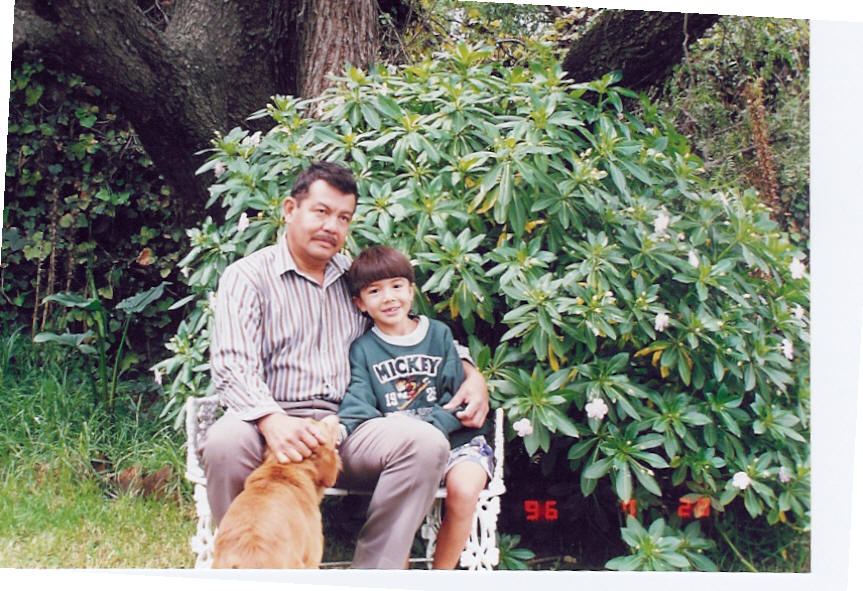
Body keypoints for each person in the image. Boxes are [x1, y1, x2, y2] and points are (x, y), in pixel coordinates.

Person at [203, 161, 489, 570]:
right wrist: (271, 420)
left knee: (425, 444)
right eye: (321, 212)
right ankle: (247, 565)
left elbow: (408, 330)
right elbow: (231, 363)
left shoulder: (355, 279)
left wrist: (472, 374)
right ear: (289, 209)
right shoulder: (248, 277)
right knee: (224, 442)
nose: (331, 227)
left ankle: (375, 575)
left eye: (343, 218)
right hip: (267, 424)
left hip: (348, 426)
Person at [337, 245, 493, 569]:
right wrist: (341, 429)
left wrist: (430, 427)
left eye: (397, 286)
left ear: (411, 289)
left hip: (456, 439)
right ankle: (399, 578)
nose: (389, 297)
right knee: (398, 495)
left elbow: (456, 396)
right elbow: (360, 401)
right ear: (360, 303)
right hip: (407, 450)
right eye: (374, 291)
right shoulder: (364, 349)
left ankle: (440, 578)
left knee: (464, 490)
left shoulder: (438, 334)